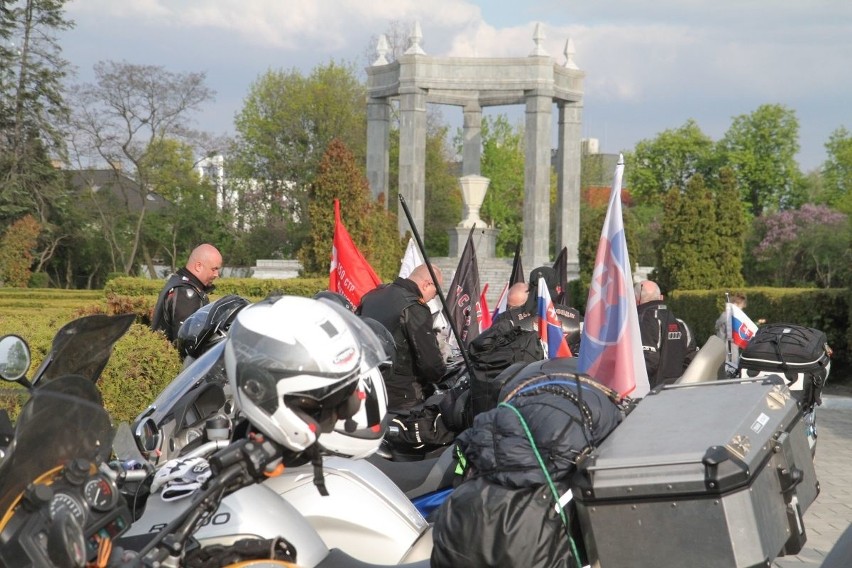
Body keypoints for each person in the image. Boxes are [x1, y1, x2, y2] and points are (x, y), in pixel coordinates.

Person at [356, 263, 447, 412]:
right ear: (426, 285)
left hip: (367, 387)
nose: (433, 298)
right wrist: (441, 372)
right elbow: (430, 364)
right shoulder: (414, 307)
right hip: (401, 397)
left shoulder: (371, 296)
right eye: (435, 293)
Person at [151, 243, 222, 343]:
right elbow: (186, 342)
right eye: (214, 269)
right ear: (198, 266)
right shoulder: (185, 294)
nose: (216, 274)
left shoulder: (180, 282)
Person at [634, 279, 698, 387]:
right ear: (661, 298)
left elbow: (648, 362)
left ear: (636, 300)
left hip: (650, 395)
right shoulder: (681, 324)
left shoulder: (643, 321)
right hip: (677, 392)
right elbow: (692, 359)